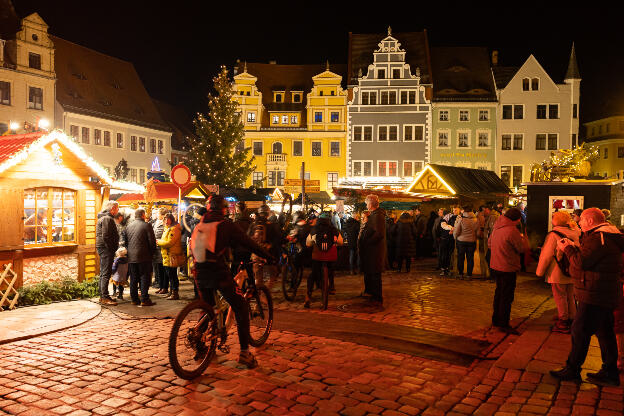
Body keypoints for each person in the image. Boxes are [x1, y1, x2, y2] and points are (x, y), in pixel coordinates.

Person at [190, 195, 275, 368]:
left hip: (198, 271)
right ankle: (244, 353)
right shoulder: (225, 224)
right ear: (224, 209)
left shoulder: (199, 224)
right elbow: (248, 242)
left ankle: (199, 339)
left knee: (208, 307)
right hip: (217, 272)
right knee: (241, 306)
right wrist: (269, 256)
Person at [550, 208, 624, 386]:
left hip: (595, 292)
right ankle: (610, 371)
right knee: (604, 331)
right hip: (603, 290)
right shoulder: (607, 236)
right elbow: (590, 259)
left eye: (581, 220)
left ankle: (573, 369)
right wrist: (576, 247)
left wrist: (567, 248)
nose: (578, 223)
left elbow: (580, 263)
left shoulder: (598, 238)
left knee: (580, 330)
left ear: (590, 221)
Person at [535, 211, 581, 334]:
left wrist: (540, 272)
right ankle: (572, 317)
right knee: (570, 295)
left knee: (560, 295)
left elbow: (546, 255)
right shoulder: (576, 232)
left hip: (558, 271)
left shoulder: (553, 235)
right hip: (572, 269)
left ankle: (563, 321)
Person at [488, 207, 526, 334]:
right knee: (507, 296)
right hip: (507, 267)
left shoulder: (496, 228)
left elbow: (489, 244)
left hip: (495, 265)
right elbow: (521, 249)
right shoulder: (512, 230)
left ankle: (496, 319)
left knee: (499, 293)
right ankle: (503, 323)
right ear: (517, 219)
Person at [304, 211, 343, 308]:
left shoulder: (314, 229)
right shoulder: (334, 229)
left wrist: (314, 242)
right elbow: (341, 242)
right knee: (330, 270)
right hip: (330, 257)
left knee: (313, 274)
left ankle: (308, 296)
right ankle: (331, 287)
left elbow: (308, 244)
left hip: (317, 257)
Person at [123, 209, 157, 307]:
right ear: (142, 215)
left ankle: (134, 299)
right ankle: (144, 299)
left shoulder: (128, 226)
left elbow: (125, 242)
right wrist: (152, 253)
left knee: (133, 278)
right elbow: (152, 242)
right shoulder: (147, 225)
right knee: (144, 277)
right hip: (144, 256)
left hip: (131, 256)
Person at [358, 194, 386, 304]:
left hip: (375, 251)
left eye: (366, 203)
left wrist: (368, 242)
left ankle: (377, 297)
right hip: (371, 251)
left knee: (375, 274)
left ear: (370, 204)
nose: (366, 205)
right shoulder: (374, 215)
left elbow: (379, 234)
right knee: (371, 273)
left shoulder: (378, 215)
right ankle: (370, 292)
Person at [248, 204, 282, 287]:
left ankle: (257, 294)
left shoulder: (253, 224)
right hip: (268, 254)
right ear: (268, 213)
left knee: (258, 277)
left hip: (255, 253)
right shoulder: (271, 225)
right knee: (272, 275)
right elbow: (278, 239)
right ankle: (265, 295)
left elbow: (247, 236)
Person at [96, 201, 120, 305]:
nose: (118, 210)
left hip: (103, 247)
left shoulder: (103, 217)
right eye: (117, 208)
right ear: (112, 209)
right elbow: (106, 236)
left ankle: (103, 295)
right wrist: (112, 247)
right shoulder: (107, 218)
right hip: (106, 249)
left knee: (103, 272)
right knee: (105, 273)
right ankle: (104, 297)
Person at [157, 213, 184, 300]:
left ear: (171, 219)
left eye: (166, 219)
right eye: (164, 219)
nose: (165, 221)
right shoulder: (167, 228)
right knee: (170, 275)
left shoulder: (174, 229)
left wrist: (158, 242)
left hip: (172, 255)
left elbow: (169, 242)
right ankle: (171, 292)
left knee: (172, 276)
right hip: (167, 255)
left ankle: (175, 293)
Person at [453, 205, 478, 280]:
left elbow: (457, 231)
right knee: (470, 258)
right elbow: (478, 232)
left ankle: (461, 274)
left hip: (461, 241)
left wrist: (455, 237)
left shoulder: (461, 220)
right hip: (472, 241)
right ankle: (469, 275)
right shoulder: (476, 220)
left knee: (461, 258)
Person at [439, 207, 460, 276]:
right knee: (446, 255)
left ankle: (445, 269)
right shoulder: (448, 219)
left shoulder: (447, 219)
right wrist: (452, 228)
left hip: (447, 239)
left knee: (447, 255)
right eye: (454, 210)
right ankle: (445, 269)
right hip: (447, 239)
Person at [484, 204, 500, 282]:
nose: (484, 211)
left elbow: (492, 228)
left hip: (494, 239)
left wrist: (487, 237)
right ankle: (493, 276)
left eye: (485, 210)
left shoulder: (493, 216)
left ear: (489, 209)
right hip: (494, 239)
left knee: (489, 258)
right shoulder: (495, 215)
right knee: (490, 258)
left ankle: (493, 276)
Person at [152, 208, 167, 293]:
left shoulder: (164, 224)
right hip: (157, 248)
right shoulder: (156, 222)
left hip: (161, 248)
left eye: (158, 213)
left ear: (162, 215)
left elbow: (160, 234)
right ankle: (161, 286)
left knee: (163, 269)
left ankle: (164, 286)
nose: (157, 215)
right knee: (158, 269)